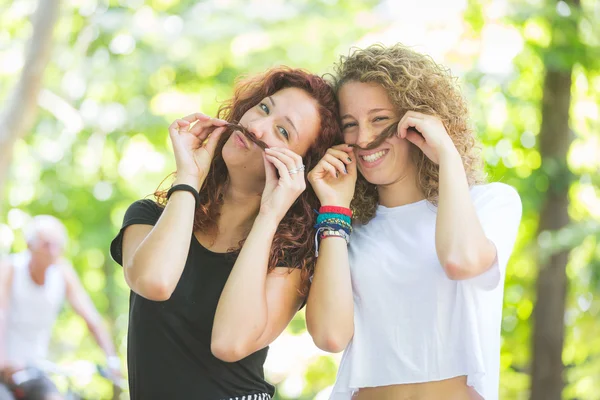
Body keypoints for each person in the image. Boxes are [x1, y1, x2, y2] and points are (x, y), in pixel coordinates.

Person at [109, 66, 341, 399]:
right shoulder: (150, 217)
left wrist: (269, 215)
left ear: (299, 167)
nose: (256, 127)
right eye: (263, 108)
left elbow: (229, 342)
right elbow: (155, 281)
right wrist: (189, 176)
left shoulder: (292, 256)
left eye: (283, 131)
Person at [305, 44, 522, 400]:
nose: (362, 138)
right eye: (350, 125)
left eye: (378, 119)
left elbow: (461, 260)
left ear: (417, 121)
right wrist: (333, 208)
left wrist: (447, 154)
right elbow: (330, 335)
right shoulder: (342, 229)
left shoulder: (488, 203)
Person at [0, 215, 121, 400]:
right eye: (46, 245)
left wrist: (112, 359)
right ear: (29, 245)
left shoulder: (62, 272)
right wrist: (2, 360)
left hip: (35, 368)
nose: (52, 251)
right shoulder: (10, 269)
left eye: (57, 245)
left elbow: (91, 318)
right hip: (5, 366)